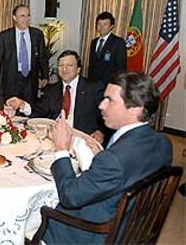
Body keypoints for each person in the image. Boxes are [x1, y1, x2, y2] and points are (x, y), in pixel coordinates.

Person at [43, 72, 172, 244]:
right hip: (133, 224)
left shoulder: (114, 160)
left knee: (35, 211)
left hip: (96, 232)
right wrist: (102, 156)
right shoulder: (164, 143)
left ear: (135, 108)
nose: (101, 105)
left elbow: (69, 196)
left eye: (109, 100)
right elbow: (127, 170)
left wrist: (61, 150)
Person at [7, 50, 105, 143]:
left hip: (81, 139)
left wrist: (101, 131)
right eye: (61, 65)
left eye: (69, 65)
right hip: (55, 138)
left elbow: (105, 115)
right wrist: (22, 104)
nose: (64, 69)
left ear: (78, 69)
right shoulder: (52, 90)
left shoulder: (93, 88)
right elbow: (39, 111)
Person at [0, 4, 49, 105]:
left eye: (28, 15)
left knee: (29, 109)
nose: (27, 19)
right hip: (11, 79)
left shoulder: (37, 35)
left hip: (30, 80)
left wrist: (45, 76)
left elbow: (42, 57)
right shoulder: (5, 36)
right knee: (11, 111)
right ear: (14, 18)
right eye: (22, 16)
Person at [88, 11, 127, 85]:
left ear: (111, 26)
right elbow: (91, 66)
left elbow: (121, 68)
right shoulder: (94, 42)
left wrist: (117, 85)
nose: (101, 27)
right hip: (93, 84)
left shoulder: (118, 42)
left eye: (105, 24)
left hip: (109, 84)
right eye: (99, 24)